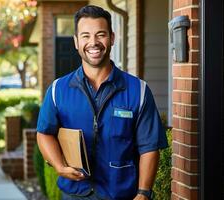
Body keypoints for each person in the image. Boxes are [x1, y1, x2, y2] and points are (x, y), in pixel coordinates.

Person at [36, 5, 168, 200]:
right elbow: (44, 133)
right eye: (86, 36)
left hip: (122, 195)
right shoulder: (58, 90)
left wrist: (143, 193)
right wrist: (59, 166)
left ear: (112, 38)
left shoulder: (138, 91)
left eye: (100, 34)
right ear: (76, 42)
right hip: (75, 195)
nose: (93, 42)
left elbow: (149, 146)